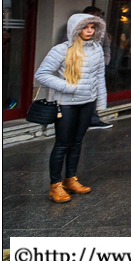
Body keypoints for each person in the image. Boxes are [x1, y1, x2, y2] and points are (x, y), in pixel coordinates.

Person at [35, 13, 107, 202]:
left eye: (92, 27)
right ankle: (55, 185)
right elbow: (42, 74)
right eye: (85, 27)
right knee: (62, 144)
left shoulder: (97, 48)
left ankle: (70, 179)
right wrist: (67, 87)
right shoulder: (61, 50)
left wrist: (100, 101)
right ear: (76, 29)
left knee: (77, 142)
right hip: (66, 105)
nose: (89, 31)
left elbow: (99, 76)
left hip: (87, 102)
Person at [82, 6, 113, 129]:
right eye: (94, 15)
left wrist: (104, 61)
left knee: (95, 91)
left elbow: (106, 46)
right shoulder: (73, 30)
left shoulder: (101, 30)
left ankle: (93, 118)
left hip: (97, 66)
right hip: (80, 66)